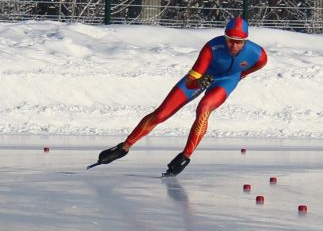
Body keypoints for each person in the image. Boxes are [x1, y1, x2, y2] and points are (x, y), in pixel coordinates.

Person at [96, 16, 266, 175]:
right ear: (225, 37)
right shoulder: (212, 48)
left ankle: (185, 156)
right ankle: (124, 147)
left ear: (246, 41)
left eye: (239, 42)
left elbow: (259, 64)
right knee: (161, 114)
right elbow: (191, 82)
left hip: (227, 81)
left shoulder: (258, 54)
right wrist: (200, 82)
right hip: (200, 77)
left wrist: (241, 74)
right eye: (230, 41)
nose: (234, 46)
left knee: (204, 108)